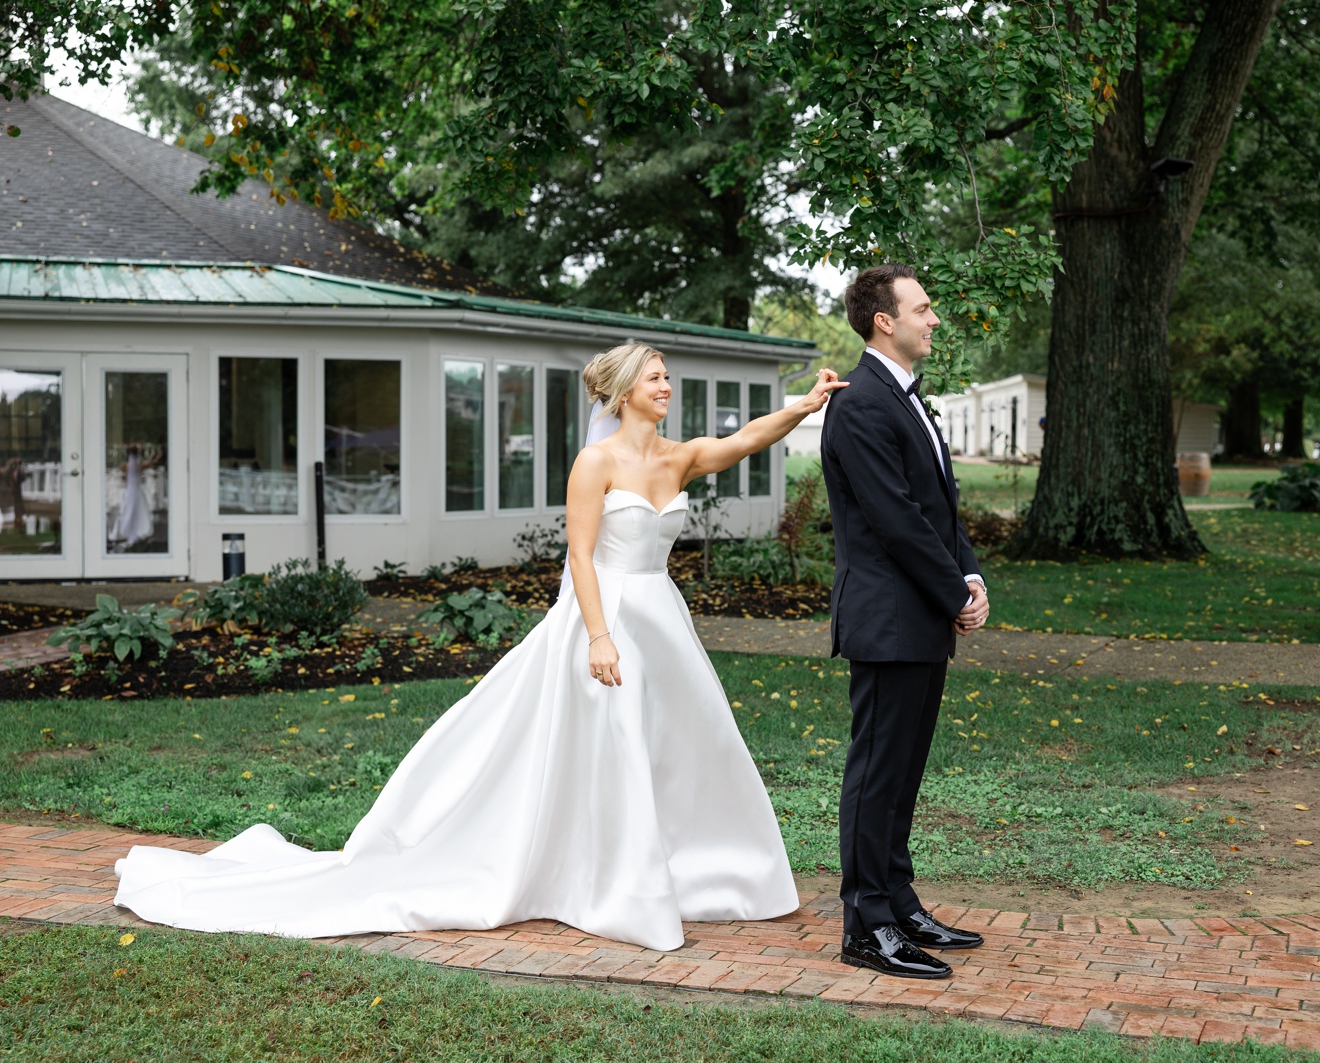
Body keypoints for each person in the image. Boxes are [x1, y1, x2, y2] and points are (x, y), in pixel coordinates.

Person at [113, 342, 846, 951]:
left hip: (664, 622)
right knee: (610, 743)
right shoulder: (596, 466)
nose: (667, 386)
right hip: (606, 616)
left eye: (666, 378)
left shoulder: (680, 457)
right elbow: (582, 558)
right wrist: (597, 634)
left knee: (684, 749)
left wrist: (803, 404)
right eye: (656, 377)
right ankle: (611, 880)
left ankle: (688, 869)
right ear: (625, 391)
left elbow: (745, 439)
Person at [820, 264, 989, 980]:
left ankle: (899, 900)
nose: (935, 318)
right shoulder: (860, 404)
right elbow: (894, 520)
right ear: (883, 319)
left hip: (920, 613)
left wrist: (970, 574)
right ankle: (866, 923)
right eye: (923, 308)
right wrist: (952, 590)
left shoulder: (908, 398)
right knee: (876, 772)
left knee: (905, 770)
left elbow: (936, 507)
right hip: (887, 616)